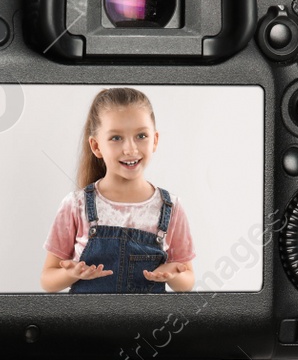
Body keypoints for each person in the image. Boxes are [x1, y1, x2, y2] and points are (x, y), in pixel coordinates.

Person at [40, 87, 196, 293]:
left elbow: (188, 279)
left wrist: (173, 276)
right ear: (96, 146)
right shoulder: (75, 204)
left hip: (148, 324)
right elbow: (47, 280)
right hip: (87, 323)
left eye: (141, 135)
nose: (130, 149)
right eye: (116, 138)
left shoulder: (170, 207)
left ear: (155, 140)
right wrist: (71, 274)